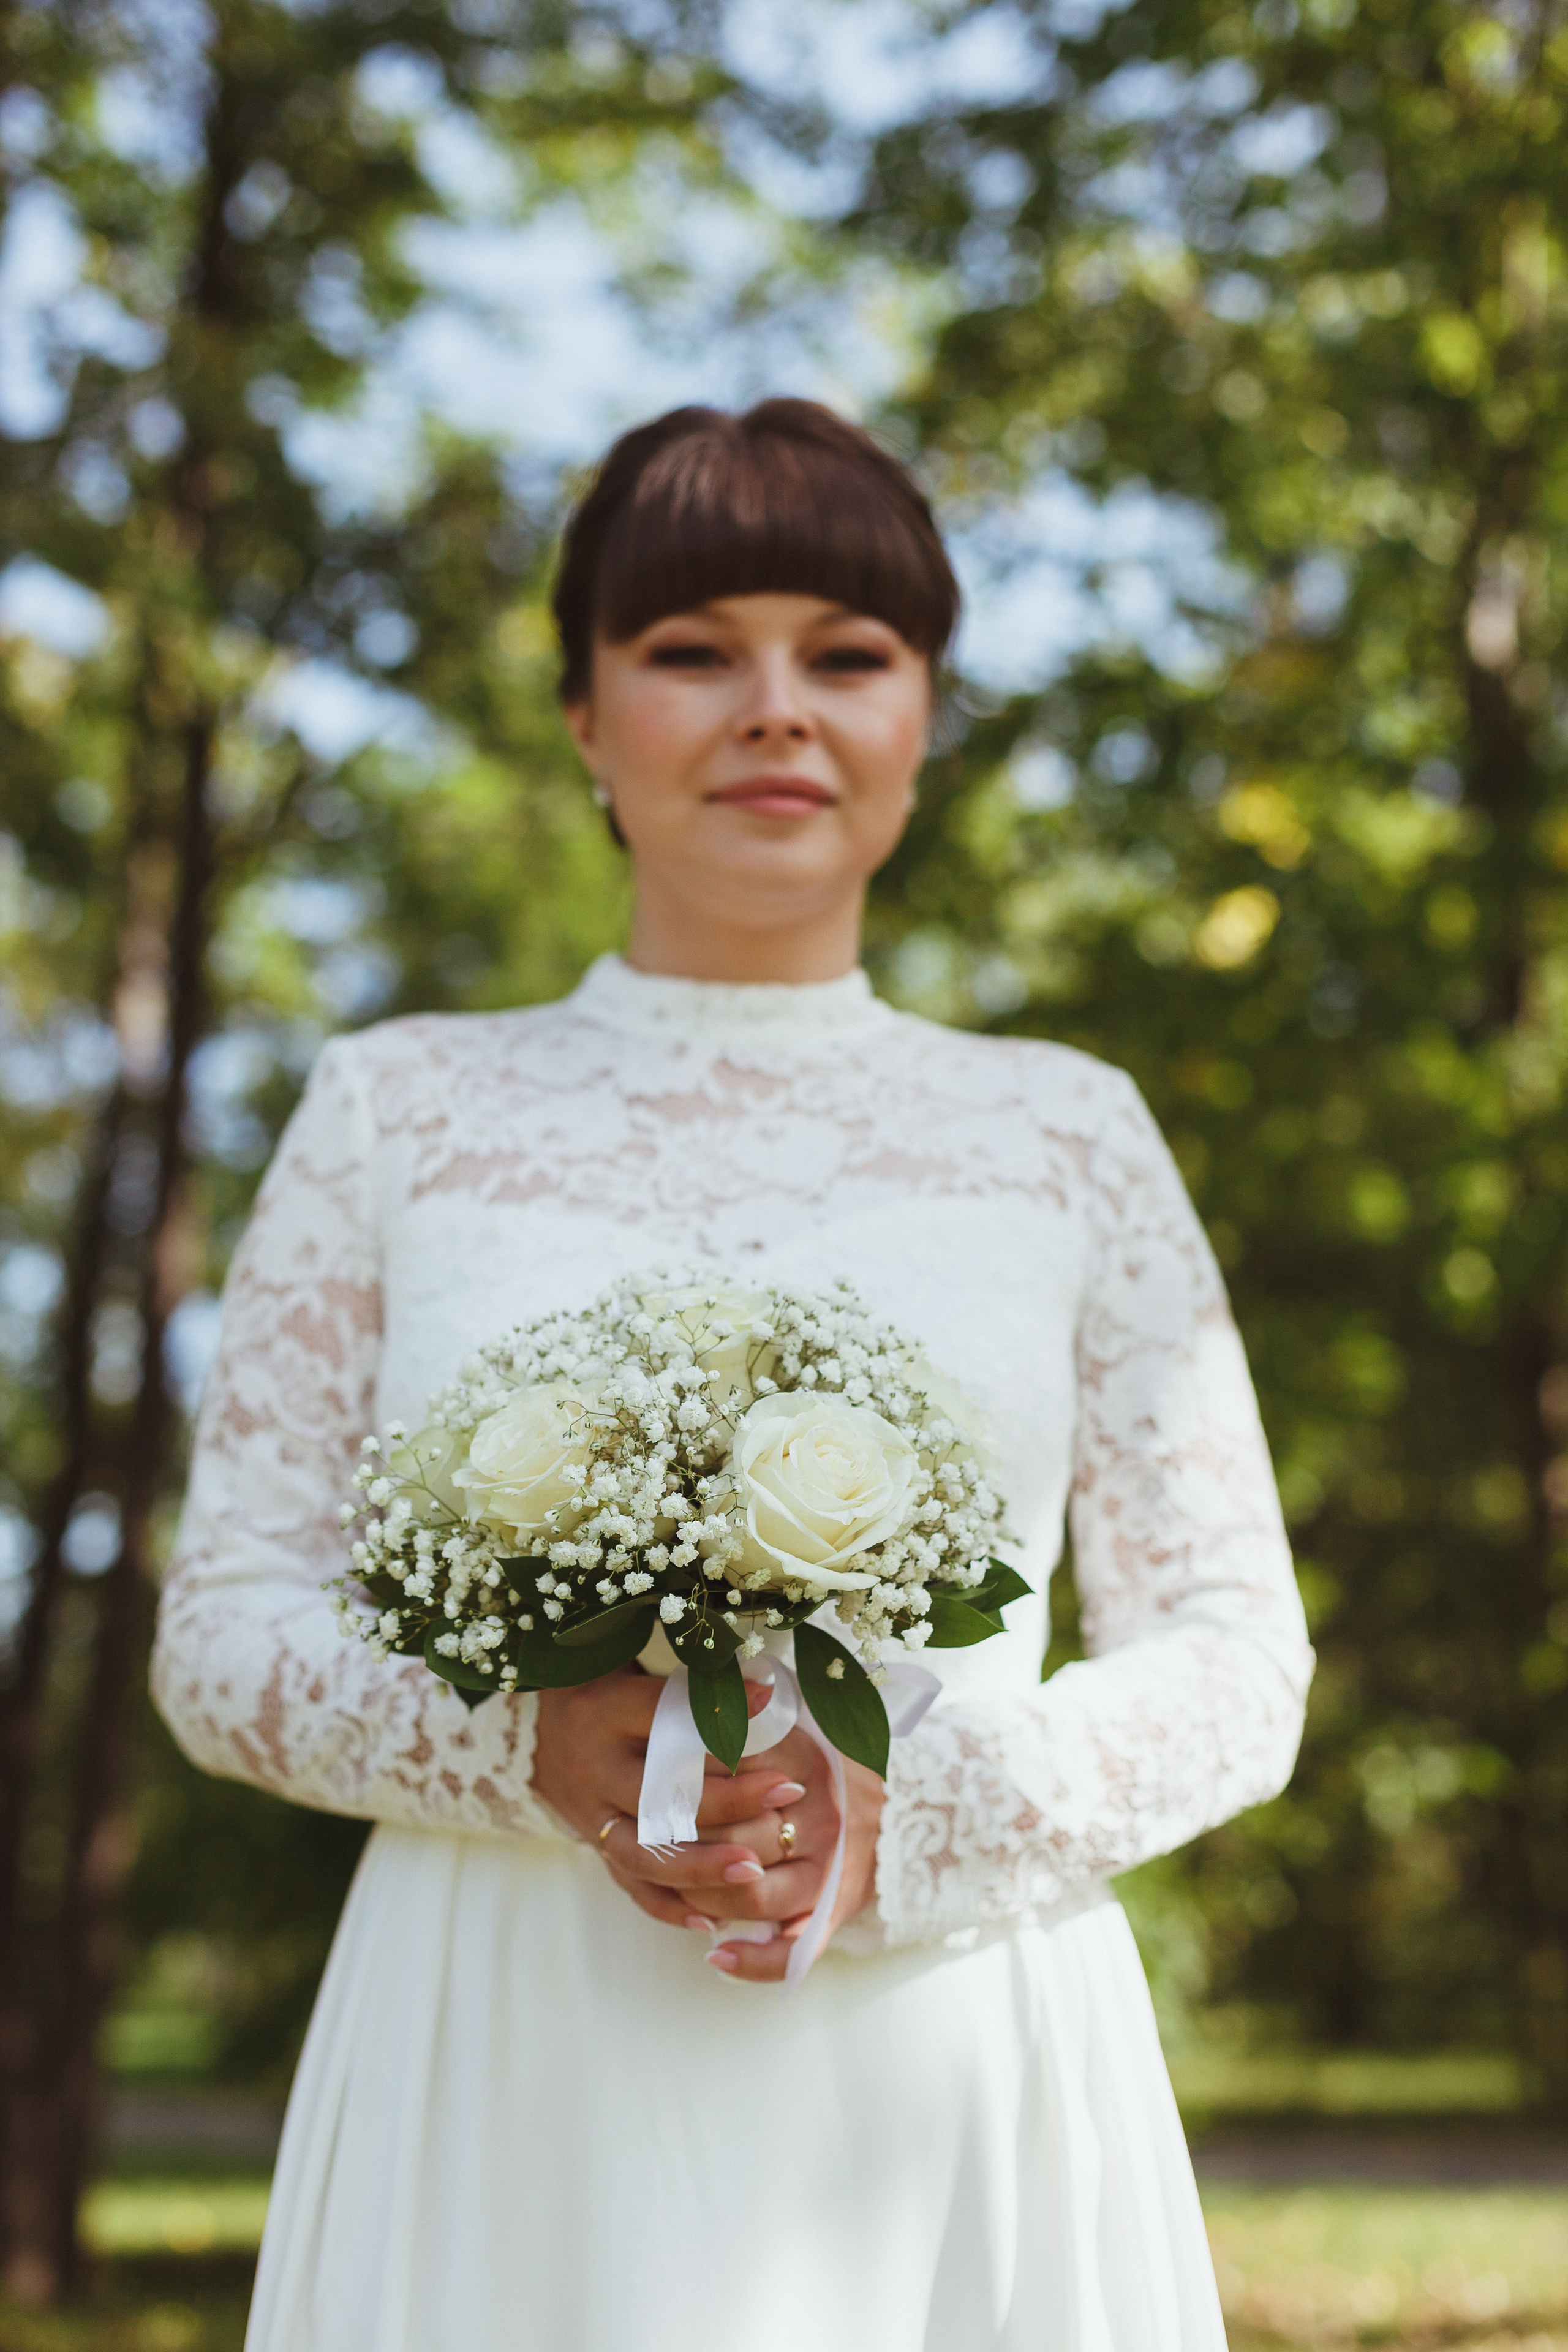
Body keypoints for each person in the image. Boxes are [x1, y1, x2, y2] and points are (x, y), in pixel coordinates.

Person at [153, 398, 1313, 2351]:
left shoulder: (1068, 1131)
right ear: (588, 719)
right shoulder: (397, 1108)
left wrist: (914, 1814)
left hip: (951, 2043)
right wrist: (526, 1750)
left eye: (846, 656)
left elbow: (1237, 1652)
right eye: (693, 651)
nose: (776, 708)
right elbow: (220, 1635)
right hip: (503, 2032)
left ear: (921, 719)